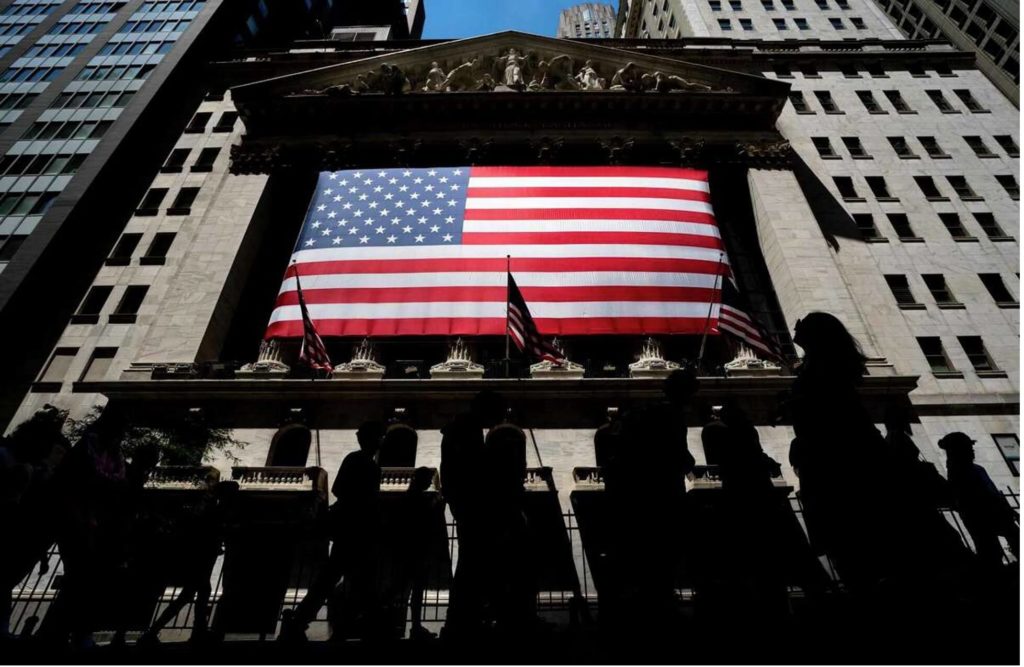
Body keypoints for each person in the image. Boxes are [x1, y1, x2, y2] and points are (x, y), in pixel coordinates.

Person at [787, 312, 968, 600]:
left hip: (840, 466)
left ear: (816, 335)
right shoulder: (820, 367)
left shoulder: (822, 370)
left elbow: (836, 417)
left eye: (803, 325)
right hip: (837, 460)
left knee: (862, 547)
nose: (796, 328)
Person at [281, 421, 385, 642]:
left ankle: (309, 622)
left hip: (353, 530)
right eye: (378, 437)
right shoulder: (361, 462)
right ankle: (339, 626)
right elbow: (342, 490)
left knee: (341, 580)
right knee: (349, 581)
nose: (380, 442)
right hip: (355, 530)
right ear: (373, 439)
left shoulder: (363, 462)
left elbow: (340, 489)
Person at [439, 390, 506, 639]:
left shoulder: (464, 428)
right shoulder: (466, 430)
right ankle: (463, 620)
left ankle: (468, 617)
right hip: (473, 507)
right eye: (499, 411)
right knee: (473, 565)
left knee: (473, 564)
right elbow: (471, 470)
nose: (501, 417)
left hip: (467, 506)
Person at [938, 432, 1019, 569]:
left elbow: (994, 493)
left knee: (1012, 541)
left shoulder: (976, 469)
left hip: (996, 514)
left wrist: (1008, 510)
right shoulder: (959, 473)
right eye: (969, 448)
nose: (972, 451)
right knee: (991, 551)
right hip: (983, 516)